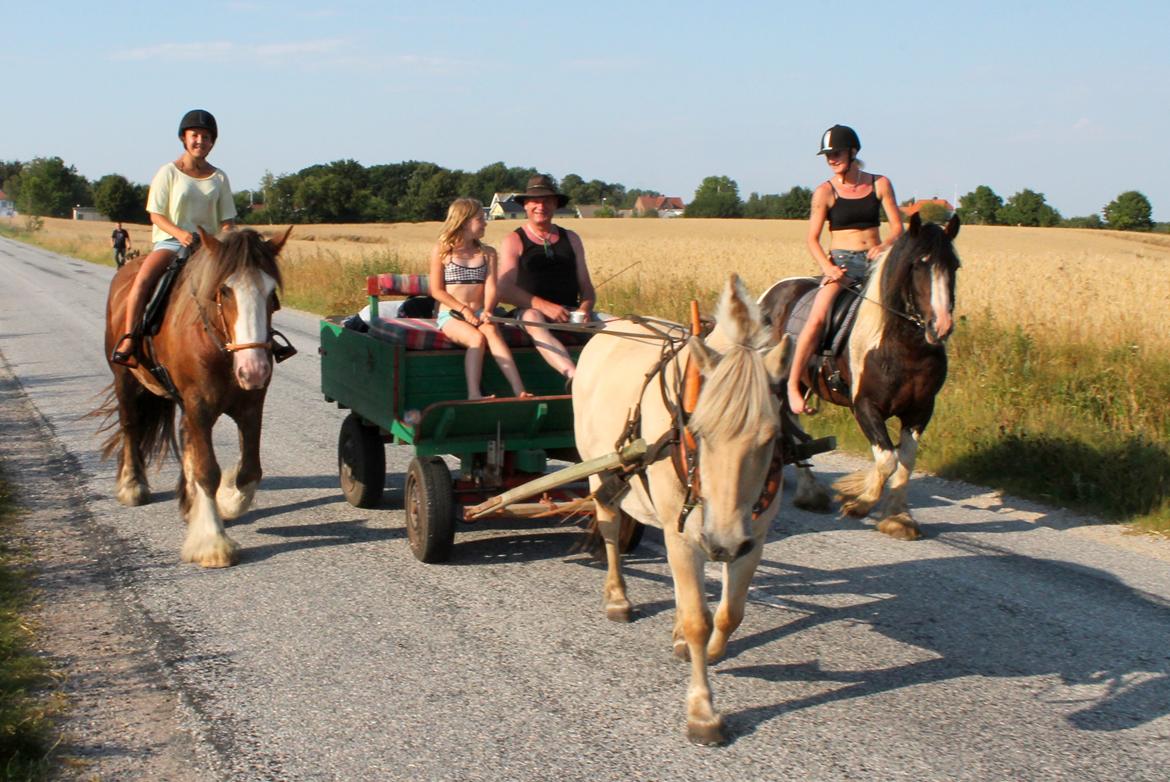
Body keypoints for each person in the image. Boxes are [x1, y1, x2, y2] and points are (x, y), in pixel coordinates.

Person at [786, 124, 904, 414]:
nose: (831, 159)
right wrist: (828, 268)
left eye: (836, 153)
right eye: (827, 155)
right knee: (815, 319)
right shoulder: (825, 192)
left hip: (876, 263)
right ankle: (792, 386)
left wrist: (886, 245)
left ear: (852, 152)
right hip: (841, 264)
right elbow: (812, 239)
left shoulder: (880, 184)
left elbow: (899, 227)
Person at [109, 109, 236, 367]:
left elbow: (227, 221)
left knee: (246, 284)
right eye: (195, 135)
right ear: (184, 138)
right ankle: (130, 338)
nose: (200, 141)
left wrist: (223, 240)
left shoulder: (219, 177)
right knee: (143, 281)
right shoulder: (168, 172)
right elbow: (155, 214)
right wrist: (181, 234)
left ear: (213, 142)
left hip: (209, 249)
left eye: (206, 136)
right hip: (172, 243)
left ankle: (262, 340)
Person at [428, 197, 532, 400]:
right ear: (465, 221)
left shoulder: (487, 253)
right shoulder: (442, 252)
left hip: (479, 313)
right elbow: (437, 290)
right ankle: (474, 394)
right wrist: (464, 310)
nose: (485, 223)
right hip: (452, 315)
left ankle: (519, 390)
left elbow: (491, 287)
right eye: (480, 219)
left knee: (492, 332)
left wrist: (488, 310)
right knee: (476, 338)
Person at [496, 175, 596, 381]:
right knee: (533, 319)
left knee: (619, 325)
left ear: (555, 205)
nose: (541, 206)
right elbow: (505, 288)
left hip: (570, 314)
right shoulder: (514, 240)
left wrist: (584, 309)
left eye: (547, 200)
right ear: (525, 205)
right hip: (530, 312)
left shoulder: (572, 239)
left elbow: (586, 287)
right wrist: (544, 307)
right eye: (535, 201)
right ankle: (575, 378)